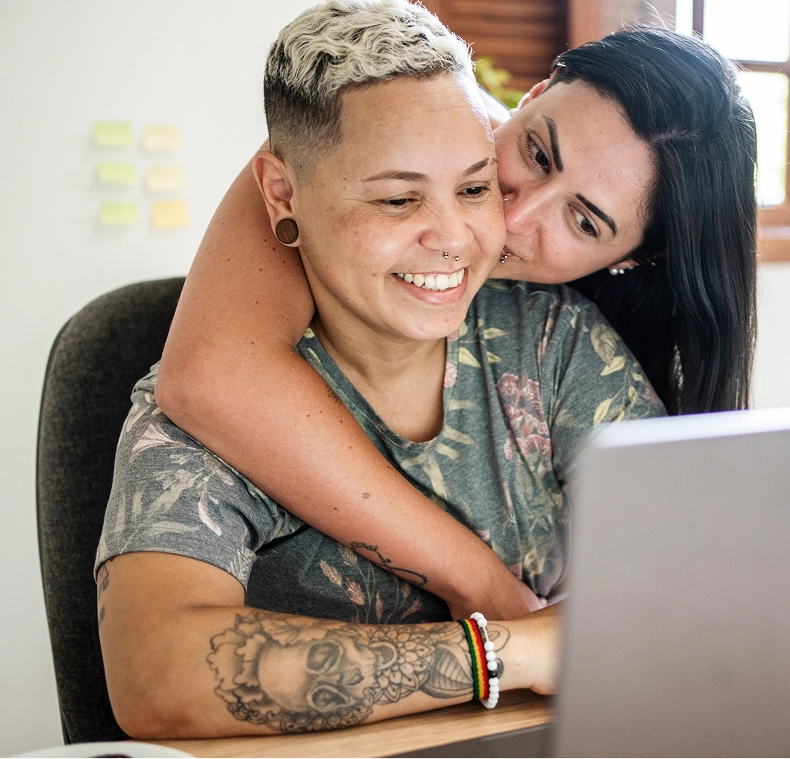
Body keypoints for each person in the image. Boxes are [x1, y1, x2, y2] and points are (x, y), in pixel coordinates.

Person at [96, 0, 663, 737]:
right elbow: (157, 675)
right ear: (283, 195)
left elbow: (689, 587)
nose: (460, 237)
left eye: (473, 187)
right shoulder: (208, 414)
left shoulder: (556, 342)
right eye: (398, 199)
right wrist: (505, 649)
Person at [153, 17, 758, 620]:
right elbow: (211, 374)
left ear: (634, 259)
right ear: (536, 93)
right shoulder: (400, 121)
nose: (512, 218)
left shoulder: (569, 343)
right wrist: (487, 591)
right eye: (537, 154)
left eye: (583, 222)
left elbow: (686, 598)